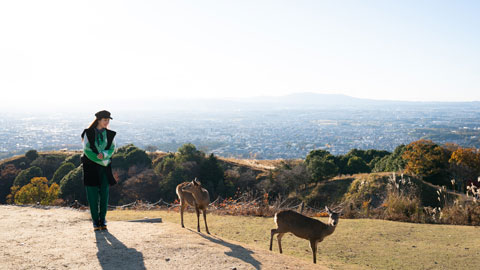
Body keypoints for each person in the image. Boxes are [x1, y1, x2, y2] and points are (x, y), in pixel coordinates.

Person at [81, 110, 117, 231]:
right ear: (99, 120)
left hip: (105, 167)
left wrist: (105, 154)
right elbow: (86, 150)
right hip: (91, 167)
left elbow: (112, 148)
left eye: (108, 120)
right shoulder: (88, 133)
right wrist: (99, 159)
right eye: (105, 120)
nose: (107, 122)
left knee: (104, 193)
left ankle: (103, 219)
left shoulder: (110, 134)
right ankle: (96, 221)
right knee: (92, 195)